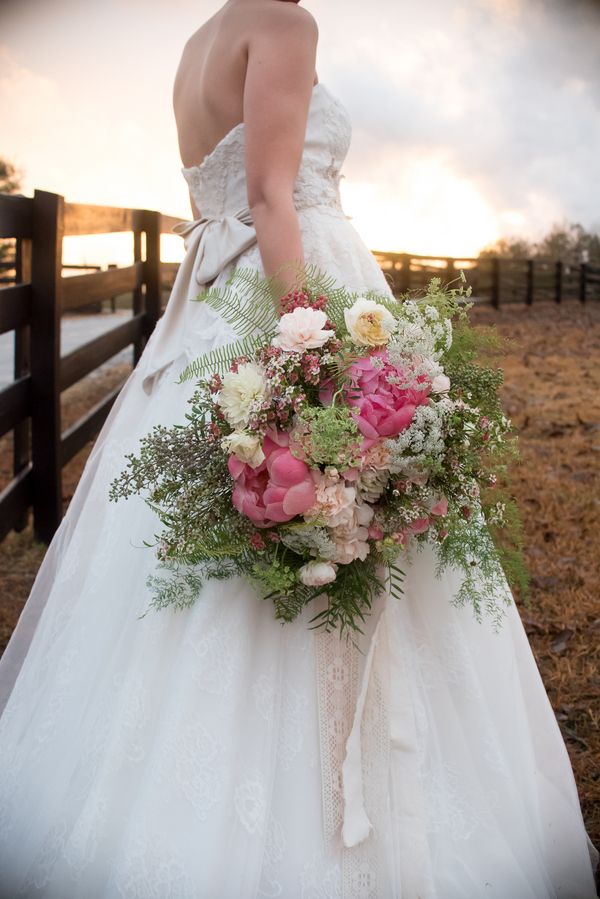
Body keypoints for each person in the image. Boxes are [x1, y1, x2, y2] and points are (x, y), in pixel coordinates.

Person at [0, 0, 598, 896]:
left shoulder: (196, 43)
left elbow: (219, 201)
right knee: (330, 498)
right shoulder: (283, 22)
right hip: (290, 286)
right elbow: (272, 194)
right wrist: (311, 356)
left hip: (209, 302)